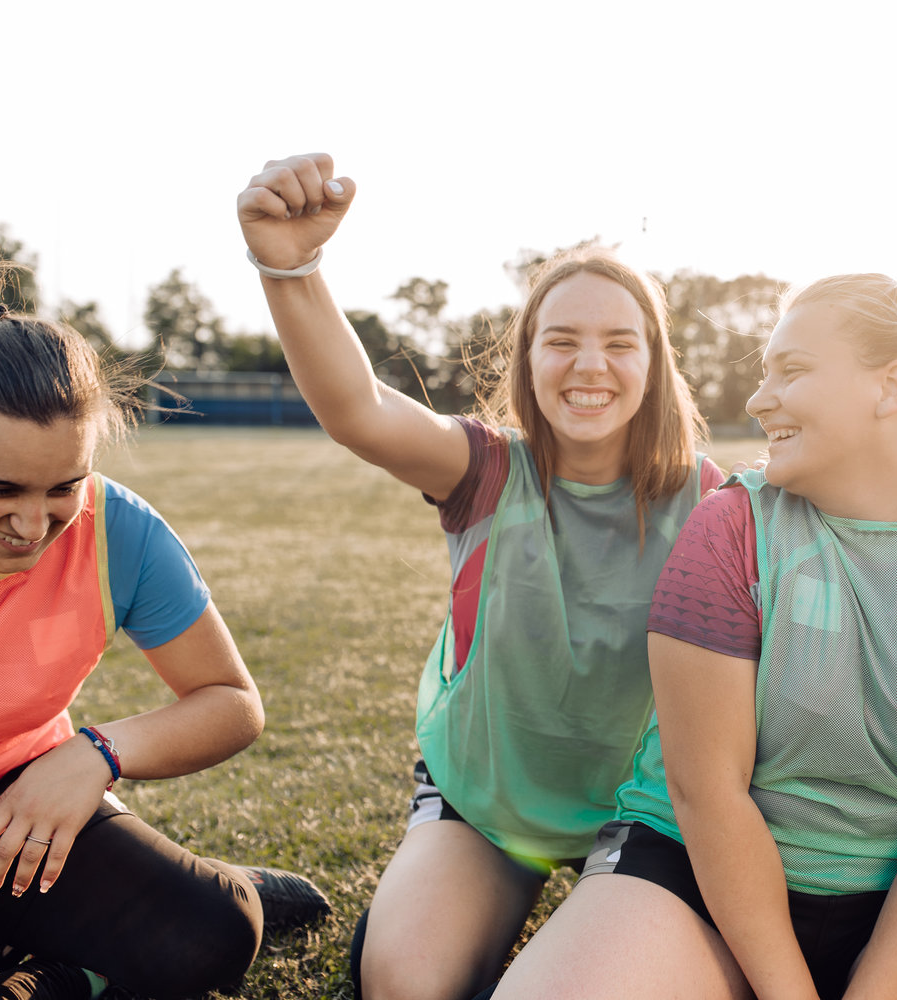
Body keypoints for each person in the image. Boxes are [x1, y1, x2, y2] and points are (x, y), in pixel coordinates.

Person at [480, 273, 897, 1000]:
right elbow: (710, 796)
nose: (760, 401)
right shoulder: (728, 530)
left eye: (790, 372)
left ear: (889, 389)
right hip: (690, 873)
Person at [236, 153, 727, 1000]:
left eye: (620, 343)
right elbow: (358, 409)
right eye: (561, 340)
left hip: (647, 811)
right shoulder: (485, 469)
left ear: (655, 364)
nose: (590, 366)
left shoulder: (712, 502)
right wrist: (292, 265)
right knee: (407, 984)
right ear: (527, 357)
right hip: (488, 800)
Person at [0, 257, 328, 1000]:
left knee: (210, 932)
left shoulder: (115, 531)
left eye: (64, 486)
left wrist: (94, 755)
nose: (33, 526)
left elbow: (229, 698)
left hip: (16, 801)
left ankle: (67, 975)